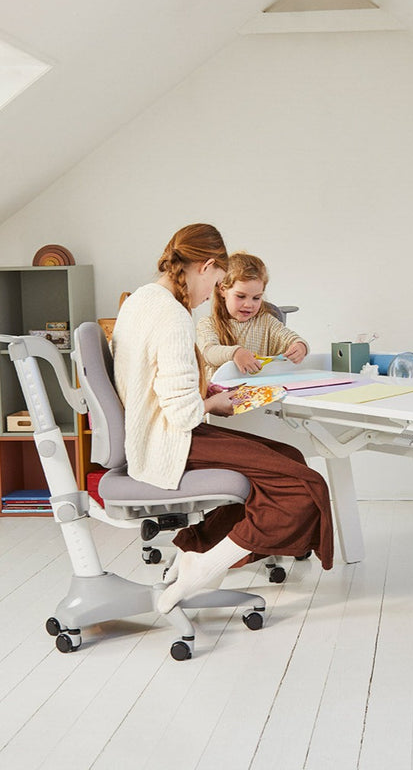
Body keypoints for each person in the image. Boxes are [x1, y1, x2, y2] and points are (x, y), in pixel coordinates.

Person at [111, 224, 333, 614]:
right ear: (209, 267)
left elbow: (150, 384)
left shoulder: (139, 300)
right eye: (216, 279)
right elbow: (182, 413)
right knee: (304, 485)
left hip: (150, 434)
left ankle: (193, 550)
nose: (207, 293)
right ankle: (204, 566)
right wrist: (215, 405)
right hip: (172, 440)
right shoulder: (173, 315)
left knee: (292, 461)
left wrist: (206, 395)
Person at [196, 251, 308, 380]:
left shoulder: (267, 322)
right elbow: (208, 352)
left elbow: (290, 338)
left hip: (257, 394)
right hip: (219, 394)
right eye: (241, 296)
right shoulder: (208, 324)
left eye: (256, 298)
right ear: (222, 289)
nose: (249, 304)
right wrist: (235, 353)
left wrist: (300, 346)